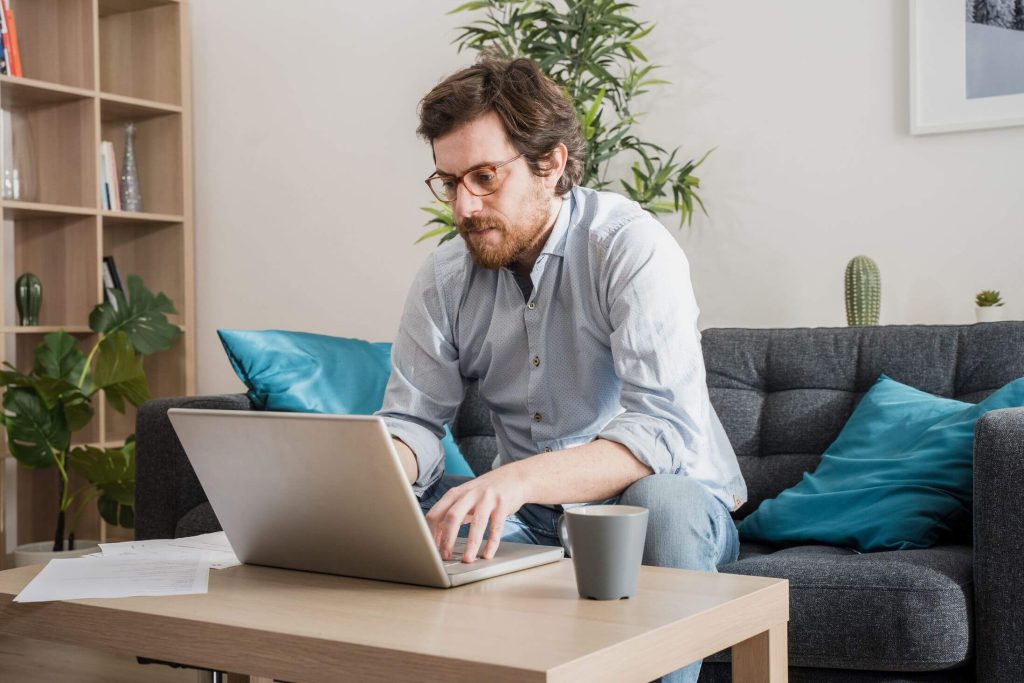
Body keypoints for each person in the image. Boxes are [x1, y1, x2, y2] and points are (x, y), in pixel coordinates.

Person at [376, 57, 747, 682]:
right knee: (410, 513)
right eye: (449, 182)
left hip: (666, 503)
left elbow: (662, 429)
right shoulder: (444, 277)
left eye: (485, 177)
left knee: (661, 500)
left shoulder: (628, 245)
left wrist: (515, 480)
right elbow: (413, 419)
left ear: (550, 163)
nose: (464, 206)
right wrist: (376, 470)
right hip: (534, 514)